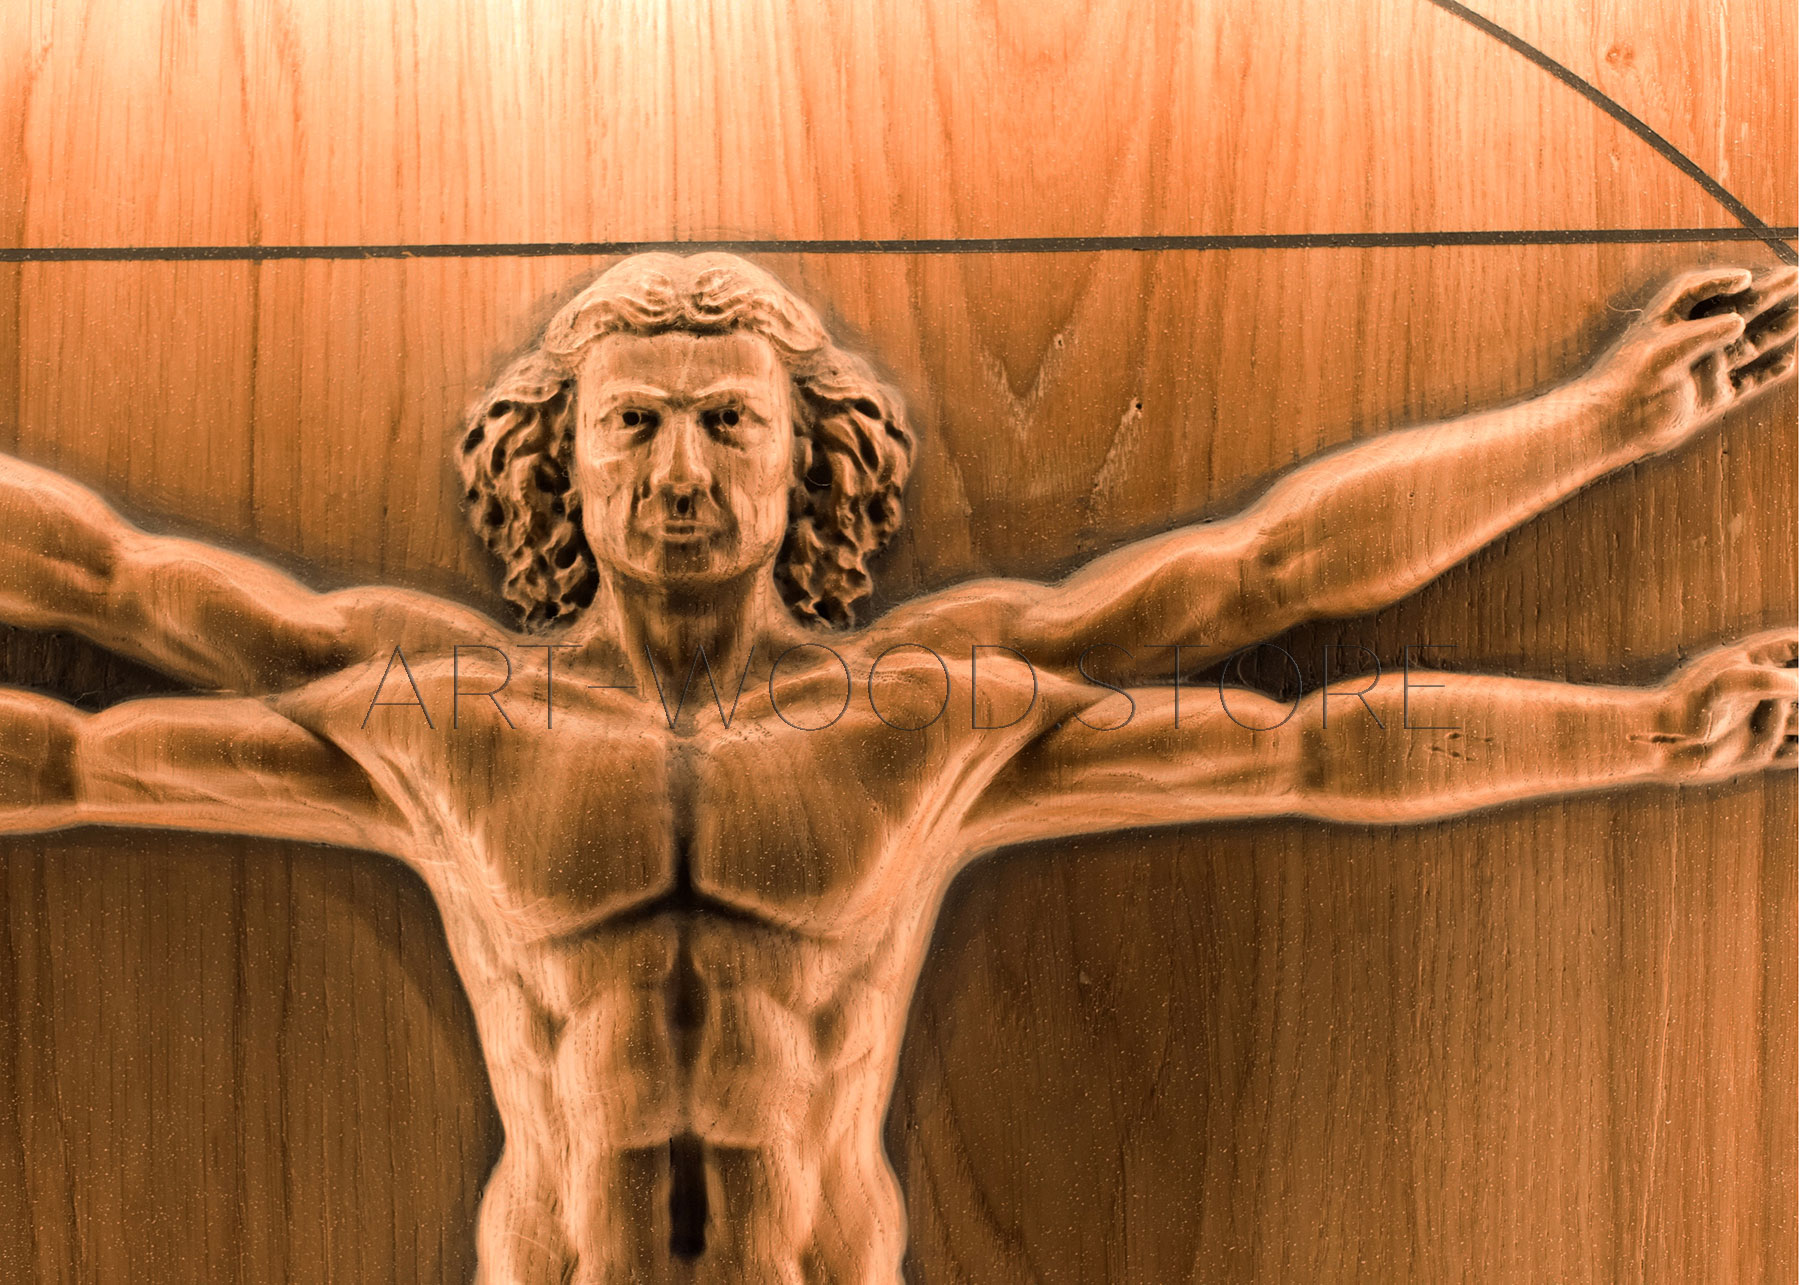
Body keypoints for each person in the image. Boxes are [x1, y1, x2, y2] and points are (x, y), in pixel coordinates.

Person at [0, 253, 1792, 1284]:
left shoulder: (920, 718)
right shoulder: (438, 718)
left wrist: (1615, 489)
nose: (680, 470)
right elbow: (98, 647)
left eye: (730, 422)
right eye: (632, 424)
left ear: (806, 458)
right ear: (561, 459)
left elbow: (1282, 658)